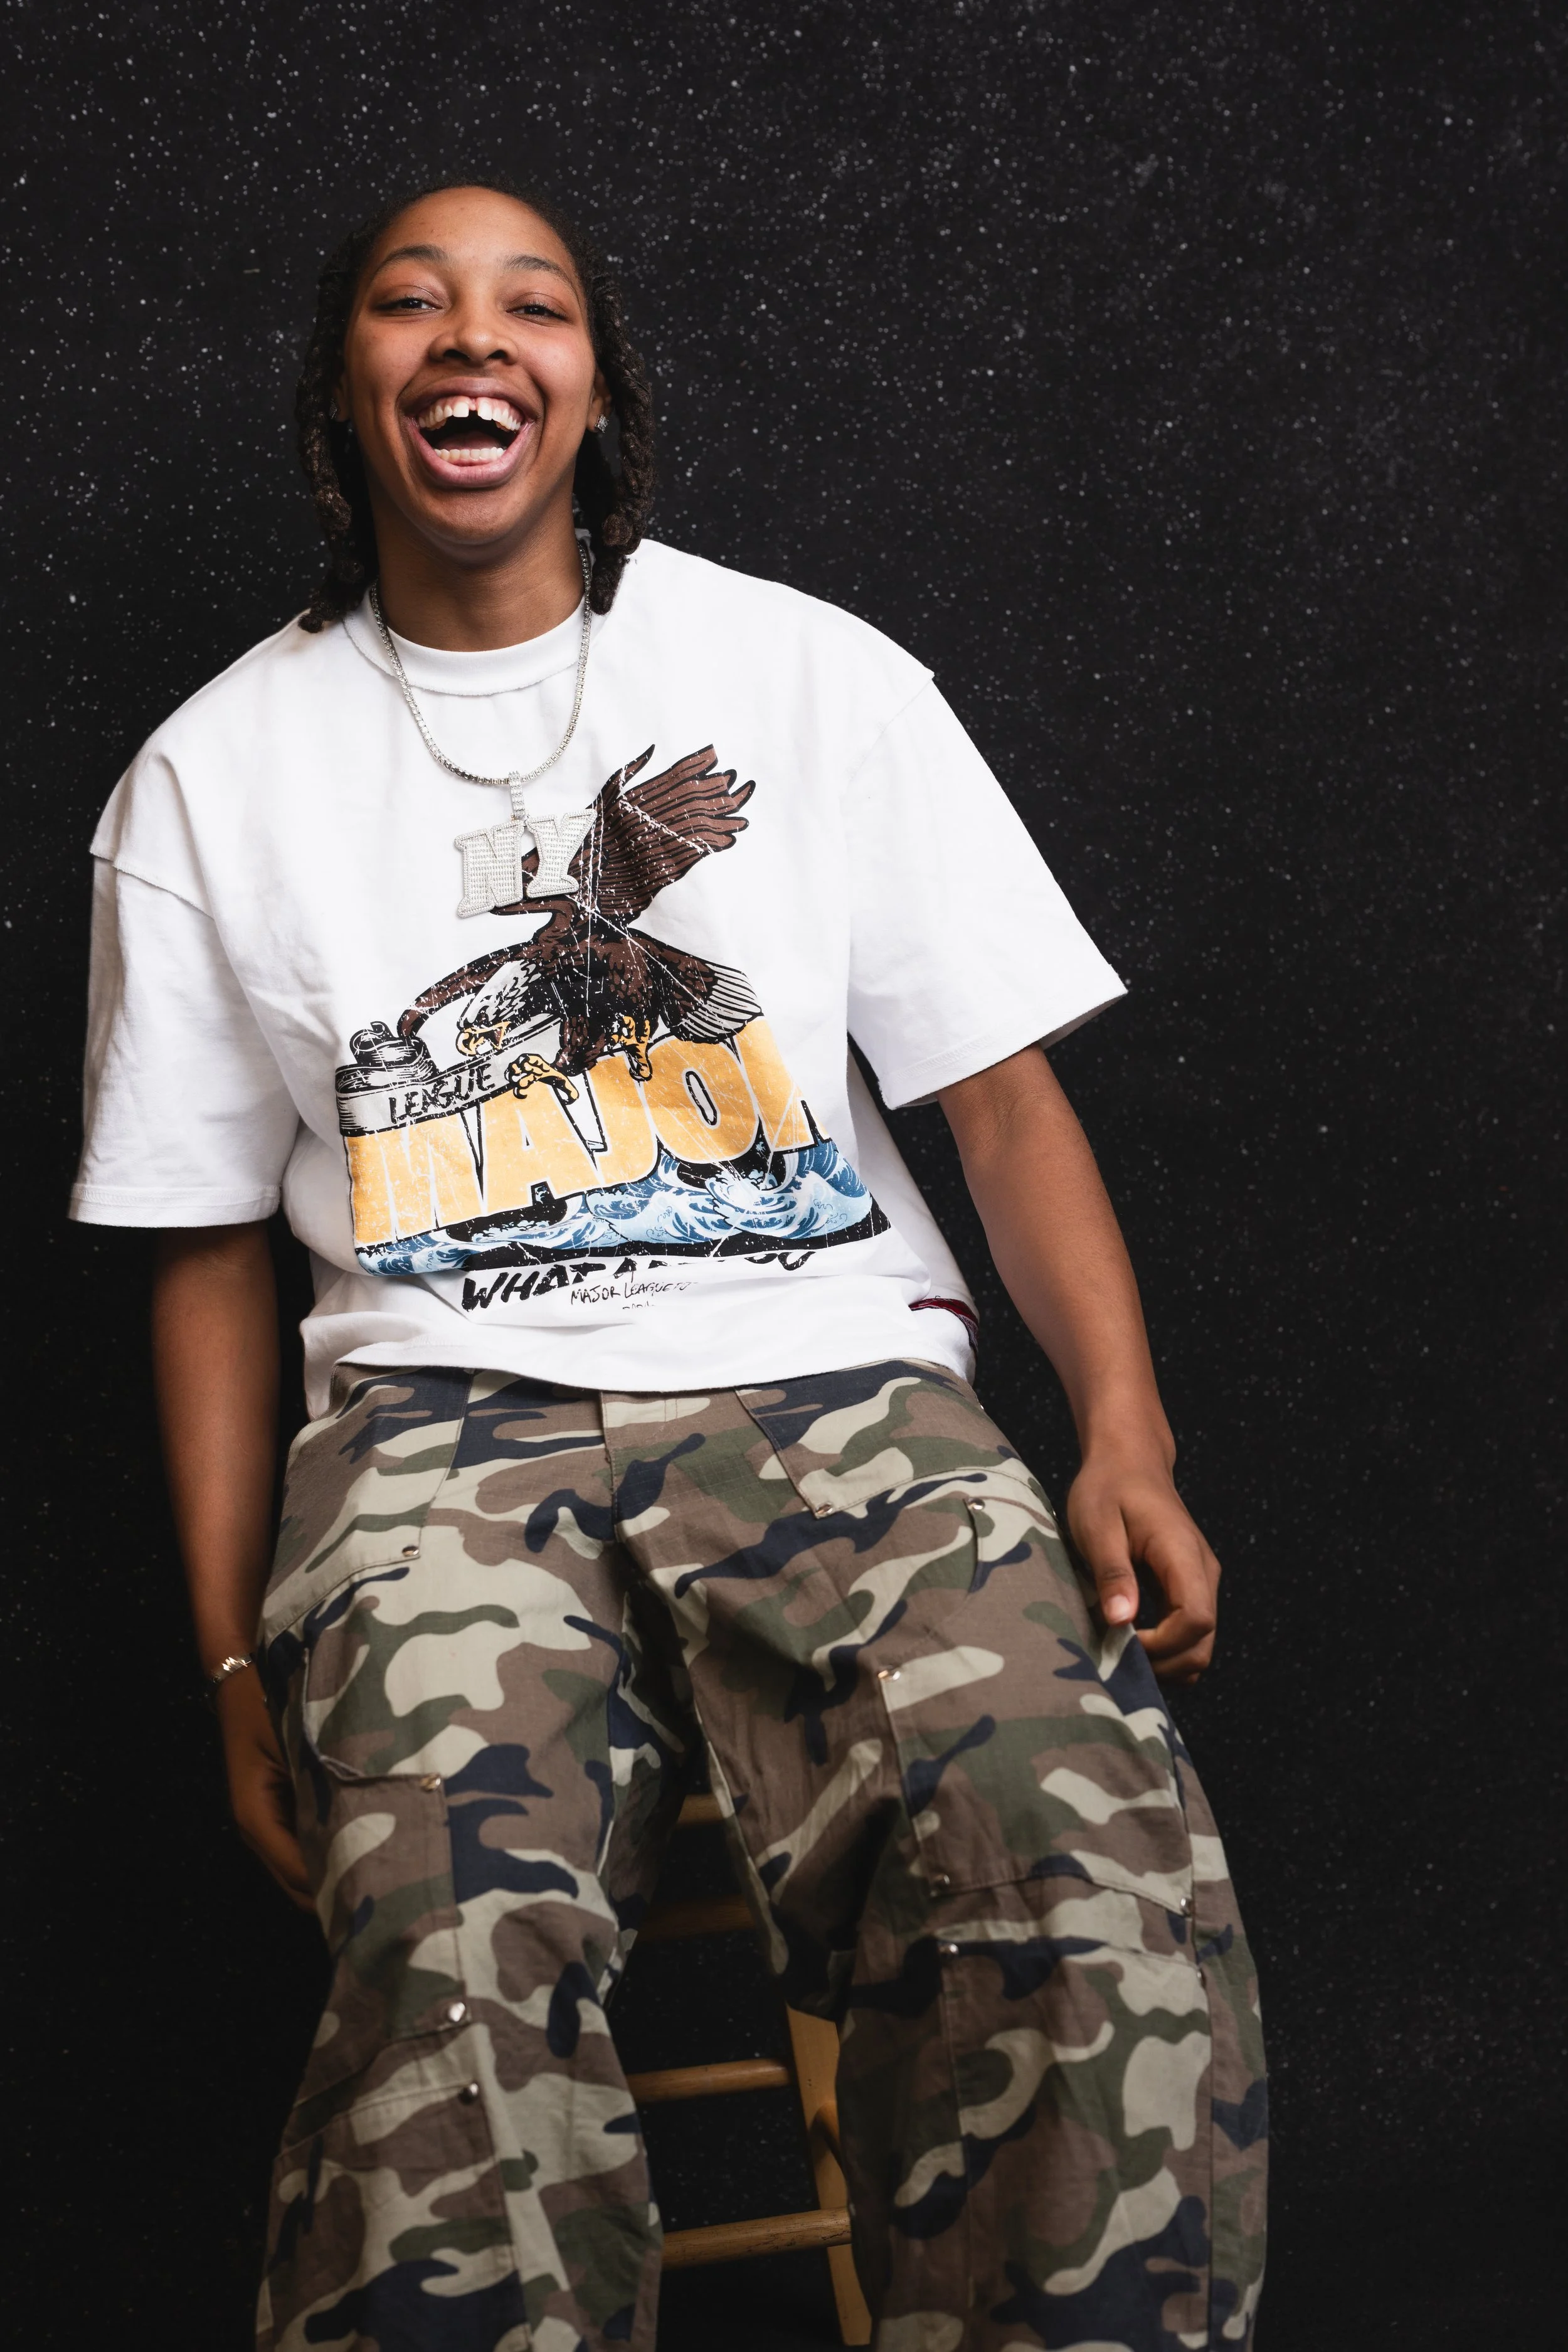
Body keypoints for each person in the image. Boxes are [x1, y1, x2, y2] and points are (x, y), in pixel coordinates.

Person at [71, 179, 1266, 2352]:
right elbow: (205, 1255)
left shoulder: (805, 670)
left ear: (593, 387)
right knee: (444, 1942)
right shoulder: (208, 777)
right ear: (342, 386)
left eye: (531, 304)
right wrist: (237, 1663)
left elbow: (999, 1100)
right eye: (411, 300)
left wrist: (1124, 1433)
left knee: (1070, 1852)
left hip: (837, 1388)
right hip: (437, 1427)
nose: (473, 334)